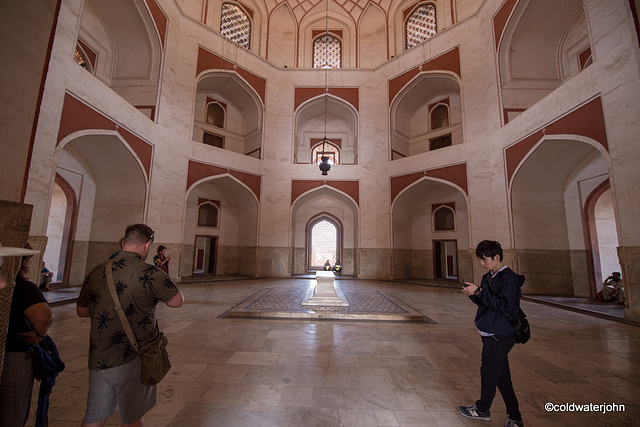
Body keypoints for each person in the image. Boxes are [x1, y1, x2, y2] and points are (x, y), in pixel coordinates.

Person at [76, 224, 184, 427]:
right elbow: (177, 301)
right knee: (133, 416)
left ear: (124, 243)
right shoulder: (150, 272)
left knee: (95, 416)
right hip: (133, 355)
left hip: (100, 355)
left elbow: (81, 310)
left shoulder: (97, 271)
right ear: (147, 244)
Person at [458, 240, 524, 427]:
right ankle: (515, 418)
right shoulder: (489, 277)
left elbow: (505, 305)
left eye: (484, 259)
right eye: (480, 259)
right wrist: (474, 294)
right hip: (490, 331)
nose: (482, 263)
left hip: (501, 333)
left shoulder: (509, 279)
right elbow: (486, 303)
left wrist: (479, 291)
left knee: (488, 372)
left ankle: (482, 409)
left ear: (497, 257)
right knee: (502, 378)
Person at [0, 244, 55, 426]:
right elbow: (44, 316)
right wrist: (38, 335)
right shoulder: (23, 287)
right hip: (14, 354)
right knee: (13, 410)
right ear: (23, 261)